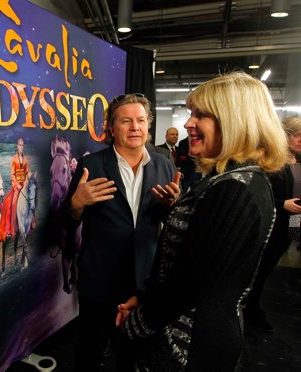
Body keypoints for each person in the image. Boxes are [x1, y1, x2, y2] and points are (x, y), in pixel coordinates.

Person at [116, 72, 289, 371]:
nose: (187, 124)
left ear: (235, 120)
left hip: (187, 346)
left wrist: (136, 325)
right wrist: (144, 296)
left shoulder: (235, 188)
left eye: (201, 115)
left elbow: (190, 282)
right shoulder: (233, 180)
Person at [62, 93, 178, 371]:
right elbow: (67, 223)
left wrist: (173, 206)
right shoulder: (91, 166)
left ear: (149, 126)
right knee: (90, 353)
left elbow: (168, 220)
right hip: (100, 280)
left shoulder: (164, 165)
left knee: (134, 356)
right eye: (126, 121)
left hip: (145, 282)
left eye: (140, 120)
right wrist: (76, 204)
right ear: (112, 128)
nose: (134, 127)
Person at [245, 116, 301, 332]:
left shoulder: (299, 160)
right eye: (298, 135)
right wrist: (282, 204)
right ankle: (250, 309)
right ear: (285, 135)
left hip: (293, 222)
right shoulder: (269, 161)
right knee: (260, 268)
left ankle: (253, 307)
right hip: (272, 223)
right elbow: (256, 195)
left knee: (271, 266)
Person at [0, 138, 30, 242]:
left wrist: (27, 181)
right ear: (17, 146)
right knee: (13, 203)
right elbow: (12, 175)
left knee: (31, 199)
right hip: (17, 185)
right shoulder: (14, 159)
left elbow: (27, 172)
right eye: (19, 145)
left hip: (24, 184)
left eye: (22, 145)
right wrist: (17, 185)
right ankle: (12, 229)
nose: (21, 147)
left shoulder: (25, 160)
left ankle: (31, 223)